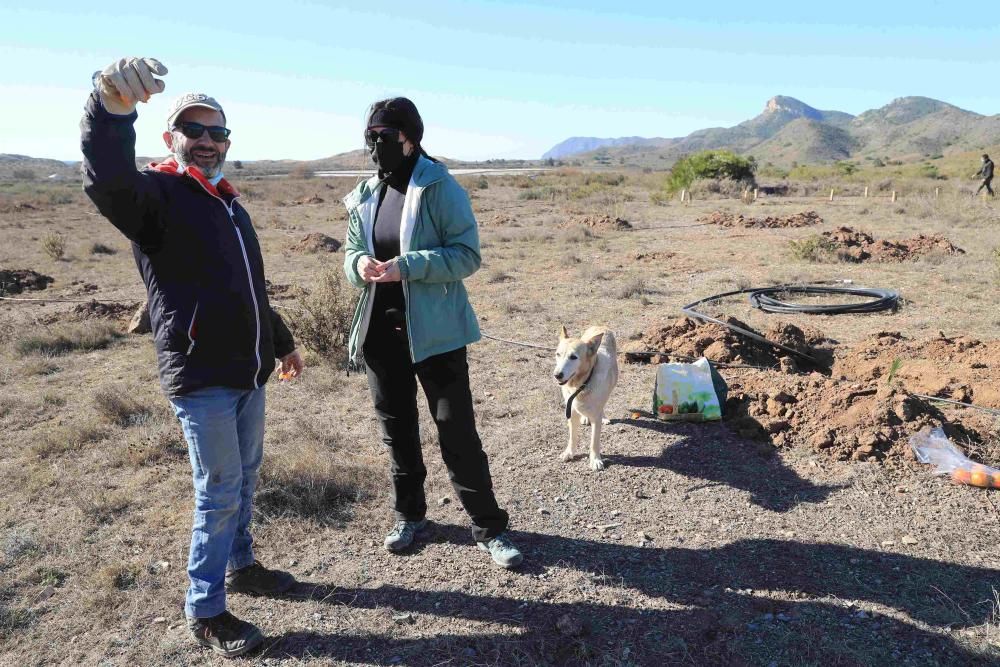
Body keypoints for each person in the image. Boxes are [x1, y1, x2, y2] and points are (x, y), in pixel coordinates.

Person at [81, 57, 304, 658]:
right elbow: (107, 179)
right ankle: (205, 610)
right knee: (220, 487)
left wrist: (279, 342)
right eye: (194, 130)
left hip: (248, 369)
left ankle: (243, 566)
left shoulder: (228, 203)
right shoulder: (157, 196)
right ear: (170, 137)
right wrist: (108, 111)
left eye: (217, 133)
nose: (207, 142)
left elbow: (248, 287)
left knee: (245, 477)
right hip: (201, 373)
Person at [342, 97, 522, 569]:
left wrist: (407, 268)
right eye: (369, 138)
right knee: (396, 431)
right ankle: (410, 515)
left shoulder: (440, 186)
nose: (375, 147)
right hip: (382, 335)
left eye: (383, 137)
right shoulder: (366, 191)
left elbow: (466, 255)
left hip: (436, 335)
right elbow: (351, 252)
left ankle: (489, 527)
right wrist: (359, 265)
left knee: (456, 431)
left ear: (409, 138)